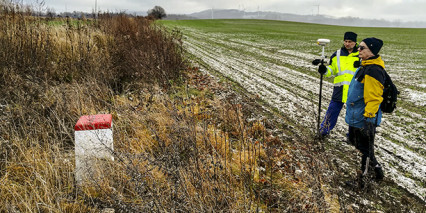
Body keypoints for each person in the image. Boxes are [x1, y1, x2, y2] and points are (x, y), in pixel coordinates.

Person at [345, 37, 385, 187]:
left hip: (364, 118)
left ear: (372, 51)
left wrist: (369, 120)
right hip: (357, 115)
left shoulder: (373, 71)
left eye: (362, 48)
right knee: (359, 145)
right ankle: (376, 169)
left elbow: (374, 98)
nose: (358, 50)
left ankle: (364, 181)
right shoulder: (365, 66)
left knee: (365, 150)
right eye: (359, 47)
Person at [317, 32, 360, 138]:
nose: (347, 44)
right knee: (332, 110)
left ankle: (353, 136)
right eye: (345, 41)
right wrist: (324, 70)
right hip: (339, 88)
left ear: (355, 42)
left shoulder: (361, 55)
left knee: (354, 114)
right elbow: (332, 69)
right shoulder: (337, 54)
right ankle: (324, 130)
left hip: (354, 89)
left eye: (350, 42)